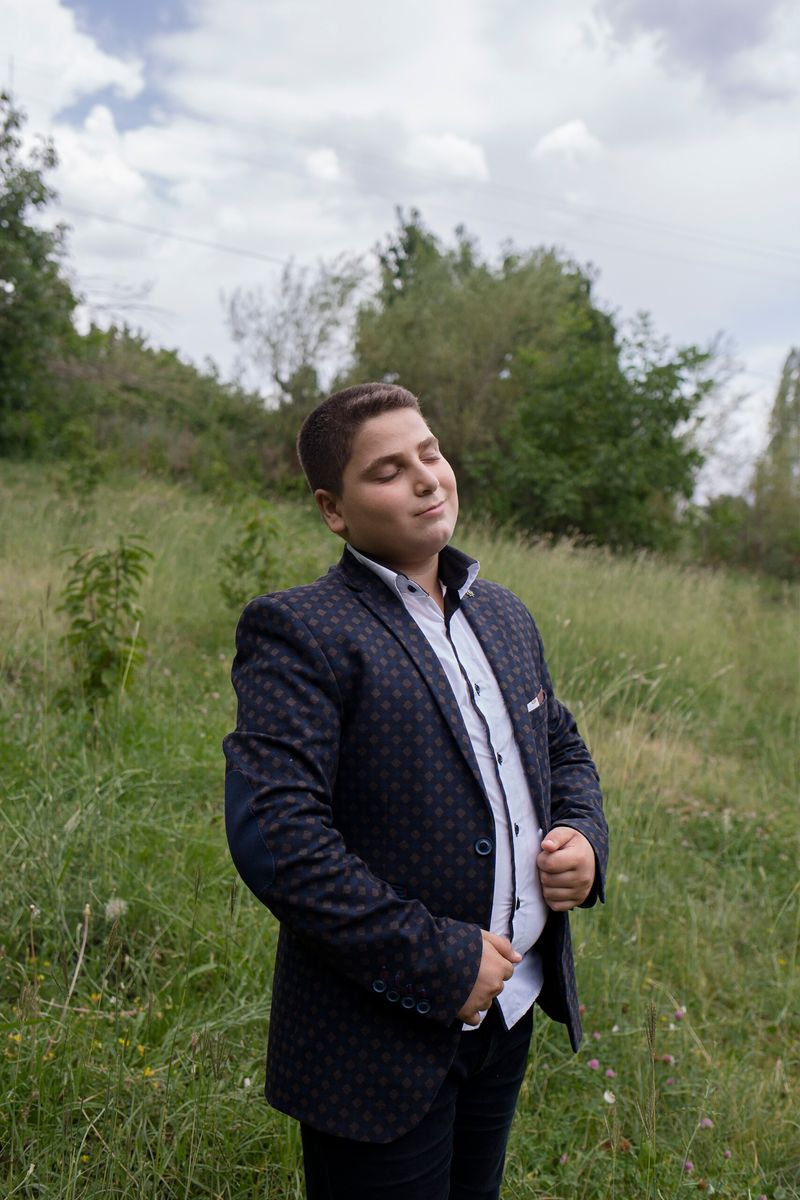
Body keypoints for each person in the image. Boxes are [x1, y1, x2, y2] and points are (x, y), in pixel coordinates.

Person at [223, 382, 608, 1200]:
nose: (427, 478)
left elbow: (561, 745)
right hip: (374, 1036)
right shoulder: (302, 630)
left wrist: (583, 836)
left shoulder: (503, 616)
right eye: (389, 470)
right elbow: (277, 838)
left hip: (508, 1012)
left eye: (430, 453)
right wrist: (433, 959)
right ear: (334, 509)